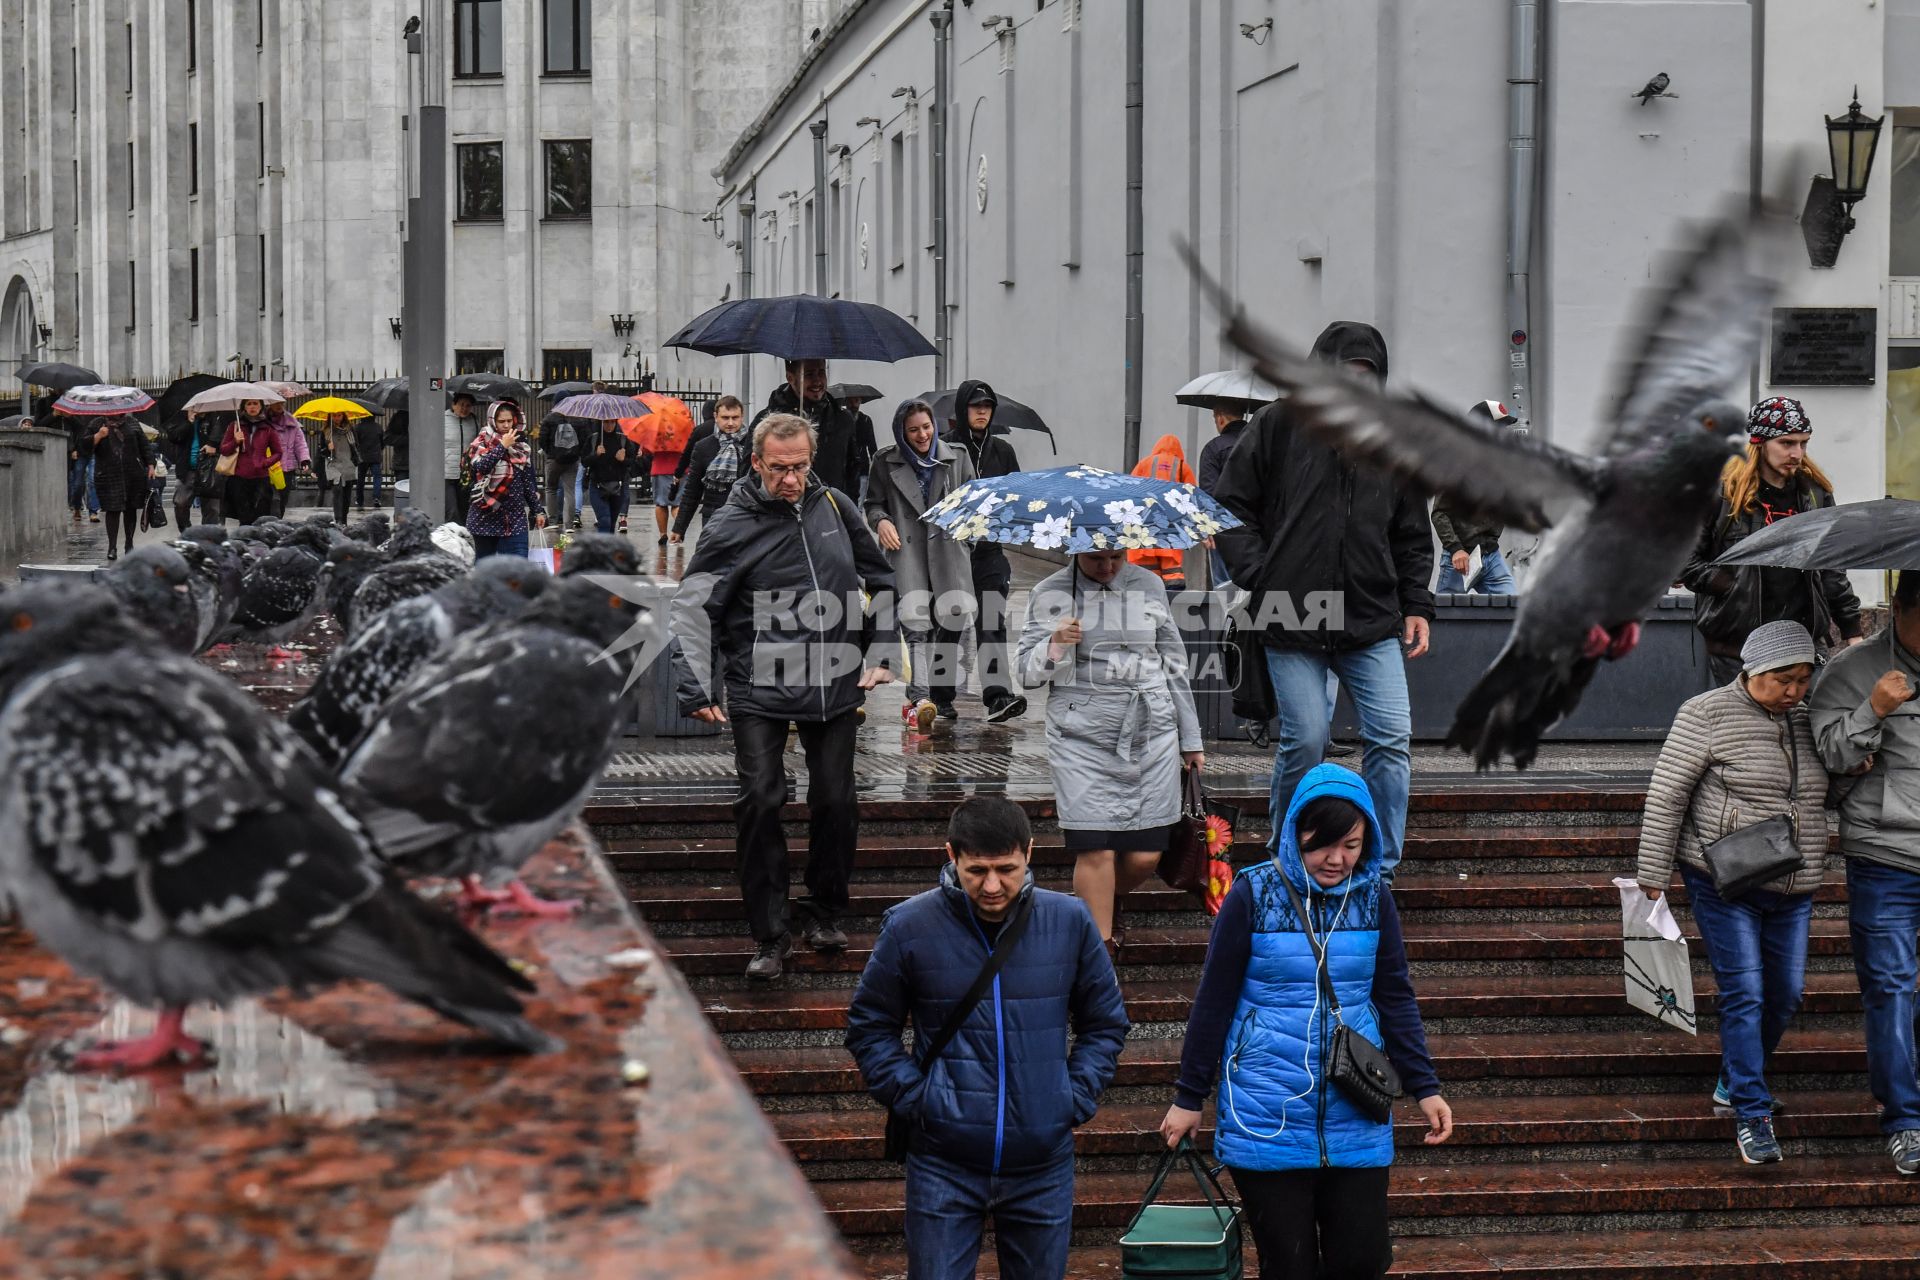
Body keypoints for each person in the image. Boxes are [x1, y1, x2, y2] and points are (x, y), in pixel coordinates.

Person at [1160, 764, 1450, 1280]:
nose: (1337, 859)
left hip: (1356, 1107)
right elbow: (1214, 1001)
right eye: (1322, 844)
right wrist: (1188, 1097)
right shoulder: (1253, 893)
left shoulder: (1373, 898)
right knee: (1289, 1266)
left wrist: (1424, 1085)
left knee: (1361, 1260)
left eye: (1353, 845)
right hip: (1264, 1108)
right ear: (1295, 832)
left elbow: (1395, 996)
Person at [845, 796, 1129, 1280]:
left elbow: (1105, 1023)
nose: (993, 885)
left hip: (1042, 1161)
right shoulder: (910, 925)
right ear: (951, 854)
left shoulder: (1069, 922)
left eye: (1006, 868)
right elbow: (870, 1026)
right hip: (943, 1161)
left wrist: (1071, 1098)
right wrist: (920, 1100)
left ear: (1030, 853)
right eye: (977, 870)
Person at [668, 412, 898, 981]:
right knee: (762, 800)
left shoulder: (837, 507)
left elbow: (883, 583)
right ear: (755, 463)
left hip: (834, 679)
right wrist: (696, 683)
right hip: (758, 684)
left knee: (837, 801)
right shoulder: (729, 525)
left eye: (800, 467)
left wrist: (882, 651)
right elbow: (695, 606)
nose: (792, 479)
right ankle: (770, 934)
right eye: (779, 469)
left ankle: (823, 910)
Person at [1212, 321, 1434, 878]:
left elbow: (1411, 533)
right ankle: (1288, 856)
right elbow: (1230, 508)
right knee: (1306, 739)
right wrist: (1263, 576)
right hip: (1291, 615)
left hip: (1370, 617)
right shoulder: (1278, 425)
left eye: (1367, 375)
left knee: (1391, 739)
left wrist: (1418, 604)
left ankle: (1379, 868)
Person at [1634, 620, 1829, 1164]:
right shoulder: (1706, 712)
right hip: (1723, 877)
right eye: (1782, 679)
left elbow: (1831, 784)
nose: (1794, 690)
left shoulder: (1810, 716)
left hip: (1795, 877)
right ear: (1752, 671)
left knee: (1785, 992)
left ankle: (1733, 1080)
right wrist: (1653, 871)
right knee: (1745, 991)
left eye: (1803, 679)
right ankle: (1752, 1111)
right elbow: (1668, 792)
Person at [1016, 547, 1203, 955]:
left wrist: (1191, 739)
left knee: (1146, 854)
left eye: (1116, 557)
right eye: (1096, 558)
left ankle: (1095, 906)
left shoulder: (1149, 584)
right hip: (1081, 735)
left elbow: (1173, 662)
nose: (1107, 567)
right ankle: (1099, 957)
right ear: (1075, 552)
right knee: (1096, 846)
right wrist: (1055, 643)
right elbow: (1025, 675)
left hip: (1150, 732)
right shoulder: (1052, 591)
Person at [1811, 570, 1920, 1175]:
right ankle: (1905, 1119)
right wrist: (1872, 711)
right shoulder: (1848, 671)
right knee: (1889, 987)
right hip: (1885, 855)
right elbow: (1828, 753)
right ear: (1900, 607)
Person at [1682, 396, 1864, 686]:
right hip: (1739, 643)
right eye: (1787, 443)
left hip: (1801, 637)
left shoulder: (1815, 495)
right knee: (1750, 727)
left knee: (1804, 726)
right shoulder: (1723, 494)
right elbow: (1684, 560)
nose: (1797, 452)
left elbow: (1831, 567)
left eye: (1803, 443)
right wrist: (1726, 586)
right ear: (1760, 442)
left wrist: (1852, 630)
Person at [867, 399, 978, 730]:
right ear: (902, 431)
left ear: (935, 426)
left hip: (948, 555)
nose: (922, 435)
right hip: (908, 554)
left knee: (951, 627)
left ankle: (937, 696)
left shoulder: (956, 457)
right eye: (913, 429)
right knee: (916, 629)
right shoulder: (885, 461)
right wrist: (881, 521)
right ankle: (920, 699)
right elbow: (872, 503)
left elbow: (974, 503)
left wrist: (967, 541)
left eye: (926, 427)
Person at [941, 380, 1028, 724]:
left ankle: (997, 695)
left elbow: (1016, 493)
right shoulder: (945, 447)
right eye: (975, 406)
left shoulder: (1002, 451)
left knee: (992, 622)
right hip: (953, 552)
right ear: (963, 410)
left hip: (990, 551)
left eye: (987, 407)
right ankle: (940, 694)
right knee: (948, 622)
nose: (981, 412)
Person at [1431, 400, 1522, 596]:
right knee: (1447, 619)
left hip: (1491, 555)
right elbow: (1439, 514)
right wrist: (1455, 549)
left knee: (1511, 612)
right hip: (1460, 559)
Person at [752, 357, 863, 496]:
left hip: (830, 509)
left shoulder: (842, 419)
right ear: (790, 378)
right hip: (780, 512)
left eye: (821, 372)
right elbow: (750, 475)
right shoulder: (766, 422)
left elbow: (853, 469)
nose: (817, 381)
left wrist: (845, 509)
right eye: (809, 374)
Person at [464, 400, 546, 560]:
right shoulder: (480, 443)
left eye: (509, 421)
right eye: (501, 421)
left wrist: (538, 511)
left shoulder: (520, 446)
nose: (506, 425)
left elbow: (527, 481)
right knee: (486, 568)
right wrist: (502, 446)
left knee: (518, 565)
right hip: (486, 517)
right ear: (492, 421)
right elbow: (481, 466)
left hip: (515, 517)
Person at [670, 394, 749, 542]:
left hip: (745, 515)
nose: (730, 423)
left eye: (735, 417)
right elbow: (692, 490)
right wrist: (679, 528)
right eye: (725, 418)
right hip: (713, 515)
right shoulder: (703, 447)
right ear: (716, 416)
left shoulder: (753, 444)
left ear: (742, 417)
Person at [1127, 432, 1197, 592]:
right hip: (1170, 529)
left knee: (1145, 576)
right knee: (1172, 574)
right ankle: (1173, 604)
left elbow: (1129, 491)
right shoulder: (1181, 466)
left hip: (1145, 528)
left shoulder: (1144, 464)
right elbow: (1192, 498)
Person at [1196, 402, 1251, 589]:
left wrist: (1207, 526)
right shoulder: (1261, 445)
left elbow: (1208, 493)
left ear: (1220, 418)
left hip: (1224, 529)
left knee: (1225, 589)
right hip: (1259, 529)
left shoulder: (1214, 448)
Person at [88, 414, 154, 561]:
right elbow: (84, 447)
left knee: (130, 509)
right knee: (112, 509)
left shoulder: (132, 422)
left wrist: (150, 464)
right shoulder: (97, 423)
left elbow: (144, 444)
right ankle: (112, 547)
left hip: (132, 473)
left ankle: (129, 544)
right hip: (108, 473)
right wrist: (98, 435)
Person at [219, 399, 281, 526]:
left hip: (261, 478)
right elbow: (224, 450)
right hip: (240, 478)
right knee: (245, 518)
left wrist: (265, 462)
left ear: (261, 407)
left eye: (255, 403)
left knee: (261, 518)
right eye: (249, 404)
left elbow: (278, 452)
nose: (252, 407)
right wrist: (235, 441)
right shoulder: (235, 426)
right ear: (244, 407)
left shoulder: (268, 428)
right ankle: (245, 541)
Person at [585, 418, 634, 534]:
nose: (609, 425)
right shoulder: (593, 439)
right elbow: (584, 461)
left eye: (612, 422)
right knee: (604, 520)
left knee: (611, 524)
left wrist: (623, 460)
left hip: (617, 487)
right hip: (597, 486)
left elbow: (632, 462)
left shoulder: (622, 440)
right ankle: (603, 551)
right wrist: (596, 455)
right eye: (606, 422)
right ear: (601, 423)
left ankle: (608, 549)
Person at [265, 405, 311, 517]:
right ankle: (270, 524)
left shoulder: (292, 423)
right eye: (276, 402)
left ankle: (277, 522)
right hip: (268, 468)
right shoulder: (263, 423)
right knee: (271, 498)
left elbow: (300, 443)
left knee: (282, 499)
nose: (279, 405)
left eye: (281, 402)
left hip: (286, 468)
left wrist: (304, 459)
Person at [443, 392, 482, 523]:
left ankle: (463, 538)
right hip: (447, 472)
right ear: (453, 405)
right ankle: (450, 539)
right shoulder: (442, 420)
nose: (464, 408)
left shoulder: (474, 421)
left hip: (466, 473)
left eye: (468, 405)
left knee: (465, 508)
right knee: (451, 510)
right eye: (461, 405)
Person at [542, 413, 584, 532]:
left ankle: (553, 521)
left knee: (551, 488)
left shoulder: (549, 419)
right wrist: (577, 454)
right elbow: (584, 438)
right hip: (572, 461)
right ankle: (569, 525)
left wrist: (550, 453)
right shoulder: (577, 420)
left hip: (553, 460)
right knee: (570, 491)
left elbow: (542, 438)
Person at [319, 412, 360, 526]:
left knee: (347, 495)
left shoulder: (350, 430)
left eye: (339, 415)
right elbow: (321, 451)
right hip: (334, 466)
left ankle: (344, 519)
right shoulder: (326, 431)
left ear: (343, 416)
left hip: (348, 465)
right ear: (330, 417)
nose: (337, 418)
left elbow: (356, 446)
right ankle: (338, 520)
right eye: (334, 416)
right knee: (337, 491)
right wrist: (328, 448)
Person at [645, 430, 684, 547]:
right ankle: (679, 529)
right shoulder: (682, 428)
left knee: (661, 504)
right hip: (680, 468)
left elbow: (646, 450)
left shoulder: (654, 429)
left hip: (660, 468)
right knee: (677, 504)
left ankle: (663, 534)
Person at [63, 413, 99, 523]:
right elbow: (71, 434)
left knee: (92, 480)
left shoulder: (99, 416)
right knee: (78, 484)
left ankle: (93, 511)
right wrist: (73, 449)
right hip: (80, 452)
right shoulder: (75, 415)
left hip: (94, 452)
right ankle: (77, 508)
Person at [352, 410, 385, 508]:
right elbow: (383, 442)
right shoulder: (378, 427)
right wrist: (378, 449)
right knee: (377, 477)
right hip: (375, 457)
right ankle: (377, 498)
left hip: (362, 457)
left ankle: (359, 500)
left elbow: (355, 443)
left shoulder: (357, 428)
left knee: (360, 479)